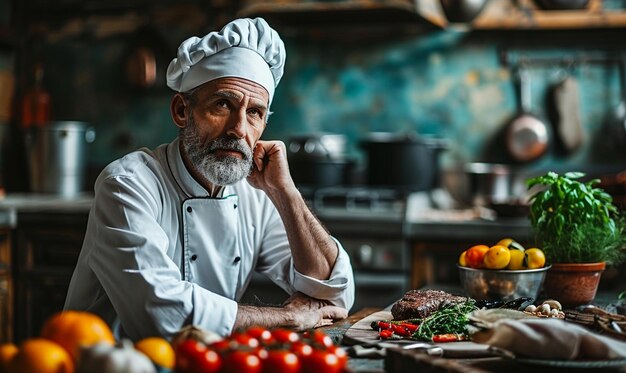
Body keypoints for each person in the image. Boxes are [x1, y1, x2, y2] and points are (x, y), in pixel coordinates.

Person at [64, 17, 355, 341]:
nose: (239, 129)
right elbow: (160, 313)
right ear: (181, 110)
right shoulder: (127, 185)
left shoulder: (256, 193)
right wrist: (288, 317)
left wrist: (286, 193)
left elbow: (333, 295)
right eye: (222, 104)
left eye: (255, 113)